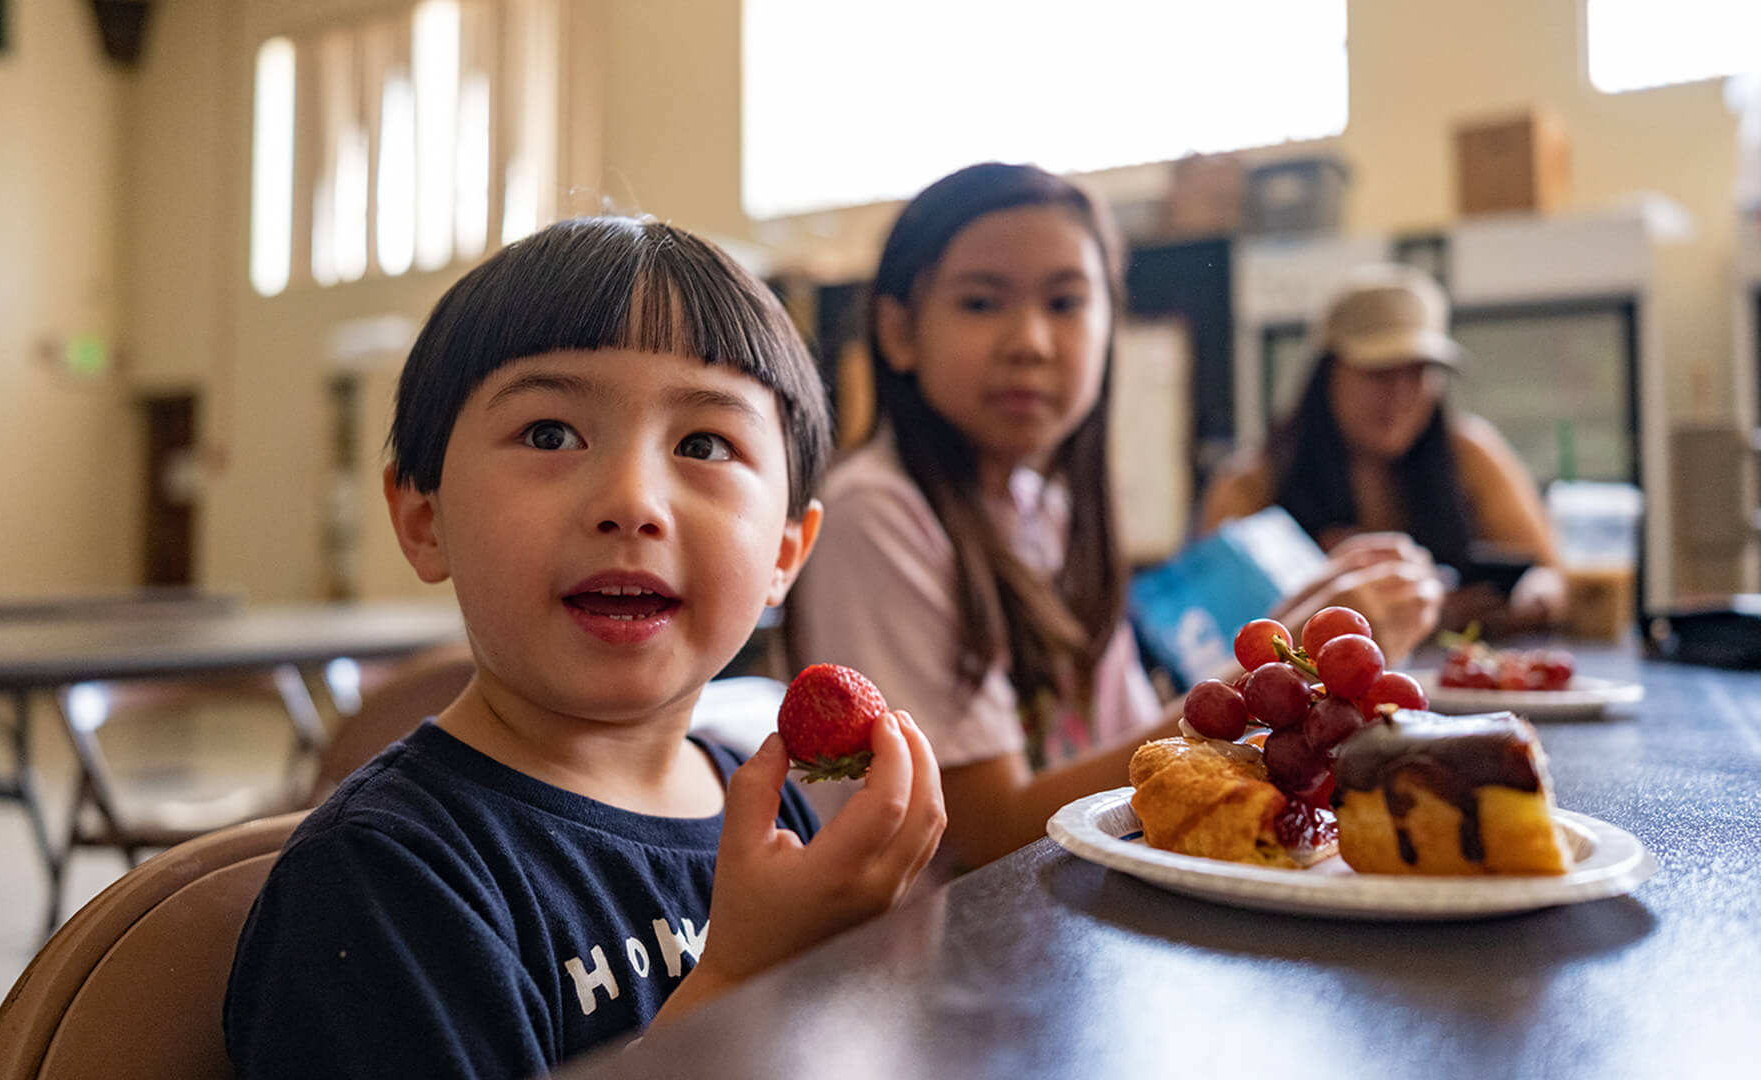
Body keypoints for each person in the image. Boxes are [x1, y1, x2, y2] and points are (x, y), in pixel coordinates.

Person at [224, 217, 946, 1079]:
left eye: (704, 444)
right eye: (550, 434)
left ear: (785, 554)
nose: (632, 499)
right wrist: (740, 977)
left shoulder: (766, 810)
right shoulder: (383, 882)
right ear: (424, 520)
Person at [785, 163, 1441, 874]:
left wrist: (1295, 644)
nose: (1031, 341)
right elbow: (979, 834)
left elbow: (1141, 760)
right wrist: (1259, 680)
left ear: (1109, 330)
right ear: (899, 330)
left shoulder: (1051, 514)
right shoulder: (875, 513)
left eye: (1066, 303)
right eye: (980, 303)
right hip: (947, 955)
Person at [1199, 263, 1566, 634]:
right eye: (1379, 371)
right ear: (1328, 372)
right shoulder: (1253, 479)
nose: (1400, 394)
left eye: (1418, 371)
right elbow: (1212, 622)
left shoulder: (1470, 454)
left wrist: (1528, 598)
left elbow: (1552, 577)